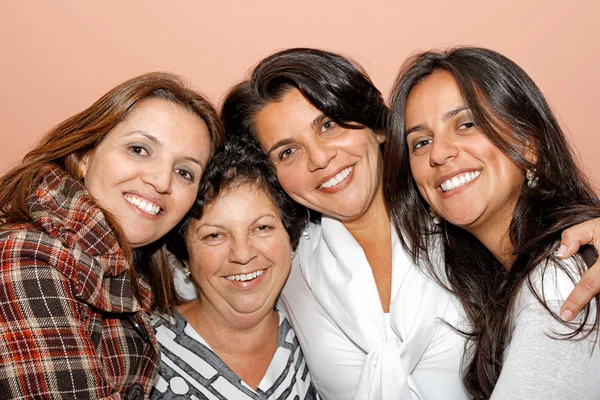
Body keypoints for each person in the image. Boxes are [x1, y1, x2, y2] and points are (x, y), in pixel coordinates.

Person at [222, 48, 469, 399]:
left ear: (376, 127)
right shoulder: (280, 265)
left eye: (328, 125)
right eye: (287, 152)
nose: (321, 158)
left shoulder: (462, 218)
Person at [386, 46, 600, 399]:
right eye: (421, 142)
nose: (439, 153)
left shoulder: (559, 279)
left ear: (528, 142)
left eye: (466, 124)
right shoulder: (502, 283)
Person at [0, 72, 224, 399]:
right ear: (83, 157)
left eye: (184, 172)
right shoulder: (28, 255)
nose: (162, 181)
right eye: (139, 149)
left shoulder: (137, 272)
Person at [150, 140, 319, 399]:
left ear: (291, 239)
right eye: (215, 235)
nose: (242, 254)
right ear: (184, 257)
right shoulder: (142, 350)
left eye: (262, 228)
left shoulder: (320, 340)